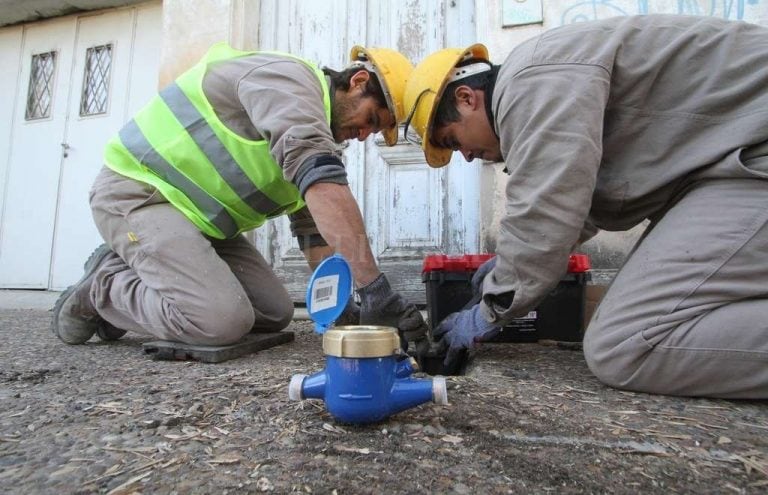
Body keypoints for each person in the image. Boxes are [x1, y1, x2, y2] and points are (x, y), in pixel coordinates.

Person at [402, 15, 768, 398]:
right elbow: (576, 196)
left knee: (624, 345)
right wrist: (512, 265)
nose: (466, 156)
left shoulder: (530, 83)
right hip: (730, 162)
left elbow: (547, 210)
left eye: (452, 139)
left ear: (466, 98)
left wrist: (488, 310)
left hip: (751, 156)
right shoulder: (540, 78)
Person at [52, 43, 429, 352]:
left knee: (273, 312)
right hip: (139, 194)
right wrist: (374, 288)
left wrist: (343, 307)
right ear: (358, 81)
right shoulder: (290, 83)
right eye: (373, 119)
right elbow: (322, 183)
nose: (365, 135)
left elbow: (315, 235)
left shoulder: (314, 133)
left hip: (199, 225)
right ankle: (102, 286)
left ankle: (151, 270)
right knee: (219, 322)